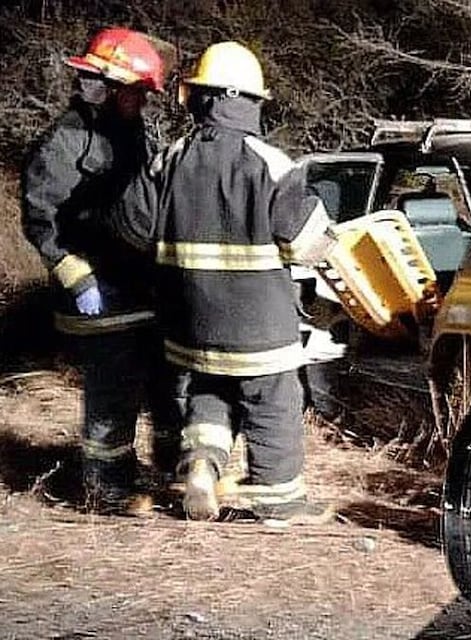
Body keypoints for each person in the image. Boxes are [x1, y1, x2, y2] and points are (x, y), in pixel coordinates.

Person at [110, 41, 336, 524]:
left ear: (200, 99)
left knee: (209, 394)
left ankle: (201, 466)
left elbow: (130, 225)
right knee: (274, 403)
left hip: (188, 323)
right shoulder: (269, 162)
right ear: (248, 101)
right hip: (259, 327)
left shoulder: (168, 159)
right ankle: (282, 504)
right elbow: (307, 241)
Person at [20, 27, 183, 514]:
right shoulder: (66, 141)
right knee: (113, 390)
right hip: (96, 289)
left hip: (138, 286)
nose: (142, 101)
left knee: (164, 382)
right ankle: (106, 488)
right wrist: (74, 273)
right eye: (136, 91)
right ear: (108, 87)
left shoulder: (131, 133)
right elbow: (40, 215)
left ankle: (174, 471)